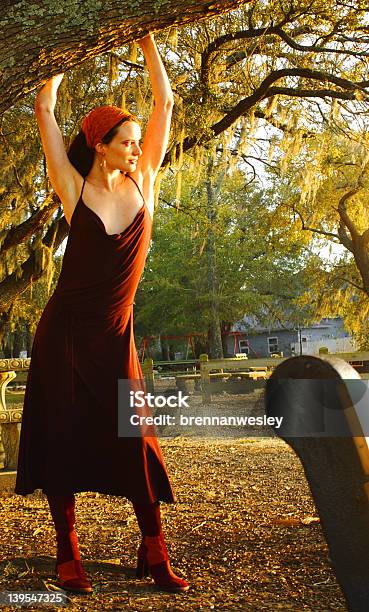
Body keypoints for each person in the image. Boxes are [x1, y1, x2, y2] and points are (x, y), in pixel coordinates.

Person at [15, 33, 189, 594]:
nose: (139, 149)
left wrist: (146, 38)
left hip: (117, 338)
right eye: (129, 142)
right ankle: (67, 553)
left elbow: (165, 102)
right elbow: (44, 107)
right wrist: (58, 59)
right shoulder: (72, 187)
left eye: (140, 142)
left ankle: (153, 550)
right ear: (101, 144)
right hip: (65, 335)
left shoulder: (146, 182)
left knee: (134, 438)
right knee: (64, 436)